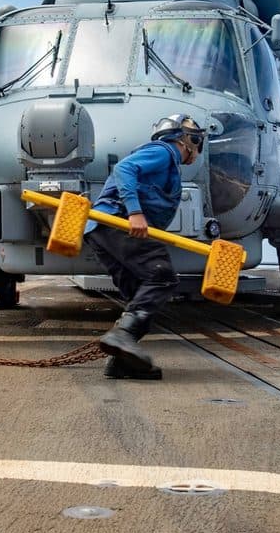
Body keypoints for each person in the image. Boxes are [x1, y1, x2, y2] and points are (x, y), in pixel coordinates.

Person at [87, 113, 206, 380]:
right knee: (161, 276)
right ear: (187, 140)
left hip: (102, 231)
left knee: (140, 296)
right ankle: (123, 336)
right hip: (118, 222)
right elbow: (124, 170)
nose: (197, 149)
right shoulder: (164, 152)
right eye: (196, 140)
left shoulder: (164, 160)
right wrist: (135, 212)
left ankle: (122, 363)